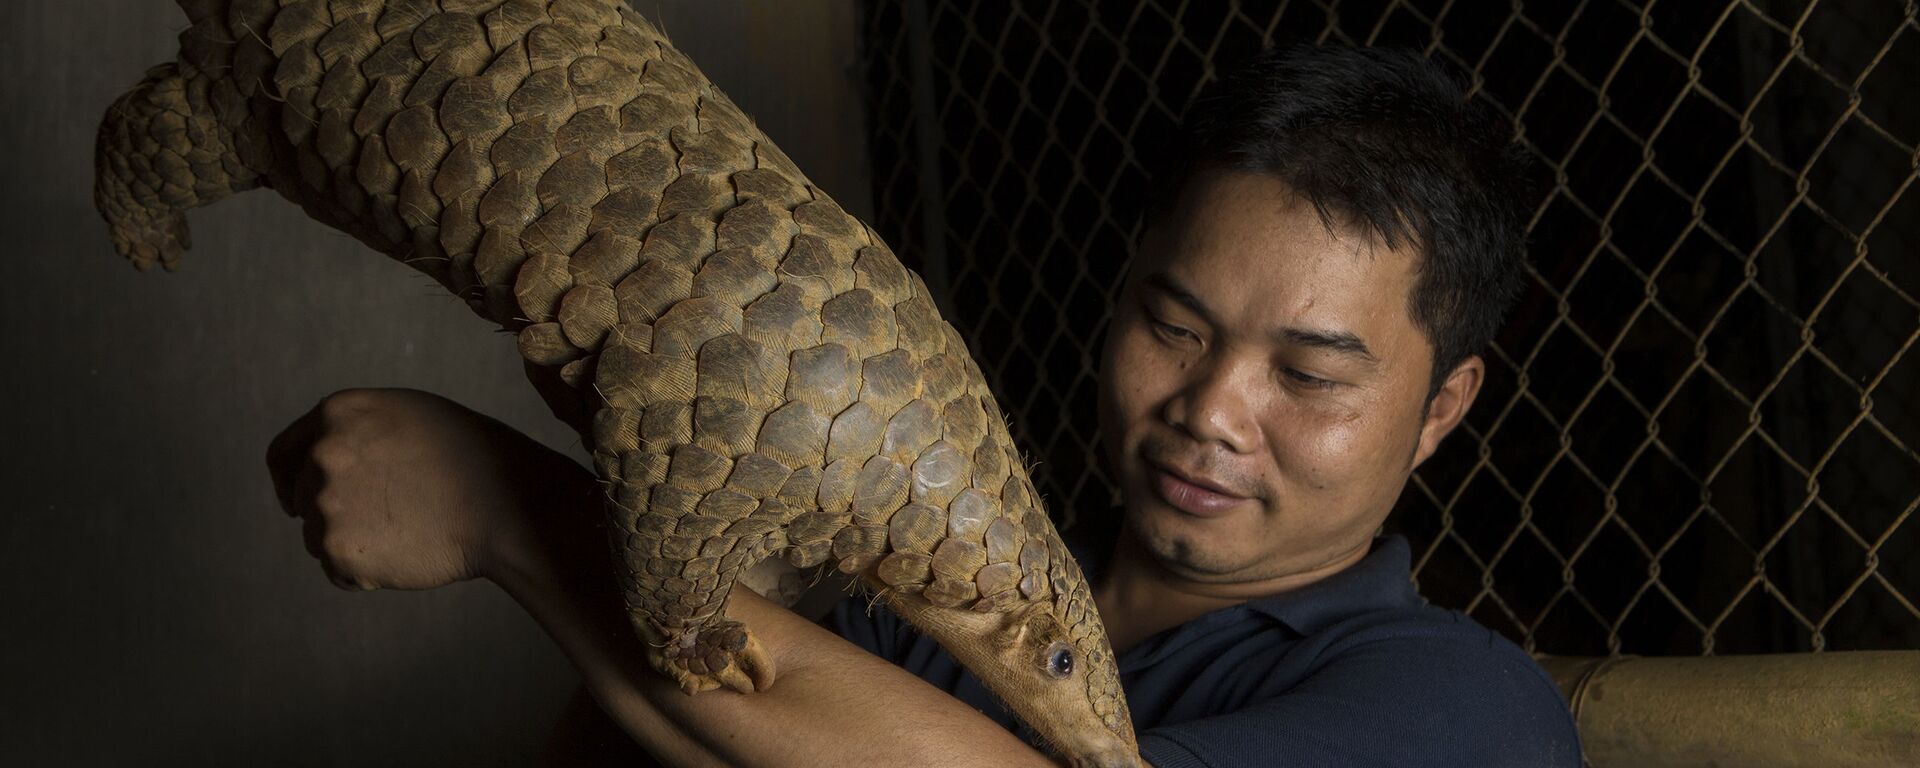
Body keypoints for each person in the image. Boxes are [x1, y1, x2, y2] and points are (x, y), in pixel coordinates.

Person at [266, 45, 1583, 766]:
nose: (1214, 407)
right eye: (1172, 325)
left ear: (1441, 408)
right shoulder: (904, 637)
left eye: (1308, 374)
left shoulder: (1465, 712)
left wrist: (508, 513)